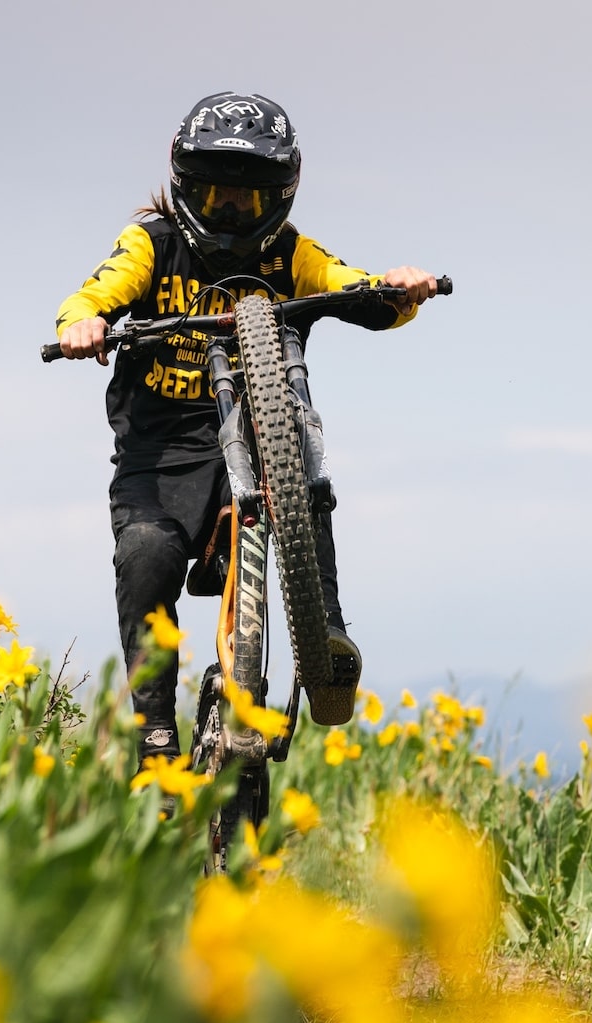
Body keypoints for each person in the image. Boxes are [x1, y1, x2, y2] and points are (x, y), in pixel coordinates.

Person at [54, 91, 441, 769]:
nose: (230, 210)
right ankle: (154, 736)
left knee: (304, 481)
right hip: (161, 456)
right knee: (145, 557)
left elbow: (351, 284)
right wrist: (82, 326)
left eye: (249, 198)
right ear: (183, 186)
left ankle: (326, 638)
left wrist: (398, 289)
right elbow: (97, 291)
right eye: (213, 194)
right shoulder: (153, 244)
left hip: (262, 448)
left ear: (279, 197)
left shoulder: (291, 254)